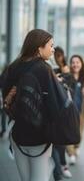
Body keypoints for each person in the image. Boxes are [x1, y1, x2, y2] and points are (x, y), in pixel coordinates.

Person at [2, 29, 56, 181]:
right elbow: (53, 103)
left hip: (17, 133)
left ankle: (48, 167)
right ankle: (49, 166)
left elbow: (6, 100)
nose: (53, 49)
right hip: (40, 135)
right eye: (51, 45)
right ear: (39, 47)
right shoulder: (44, 69)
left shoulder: (13, 67)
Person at [67, 55, 84, 165]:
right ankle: (71, 153)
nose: (75, 64)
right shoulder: (68, 77)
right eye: (73, 62)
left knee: (79, 133)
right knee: (68, 132)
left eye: (77, 62)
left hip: (82, 110)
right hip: (69, 111)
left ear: (81, 64)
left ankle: (77, 146)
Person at [51, 47, 73, 180]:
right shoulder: (50, 68)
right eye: (56, 55)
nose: (58, 57)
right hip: (53, 109)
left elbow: (69, 86)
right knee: (54, 142)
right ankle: (58, 170)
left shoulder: (65, 69)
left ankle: (62, 166)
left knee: (61, 142)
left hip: (64, 110)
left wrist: (63, 77)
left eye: (60, 55)